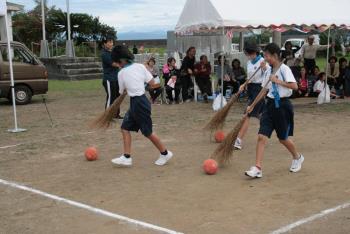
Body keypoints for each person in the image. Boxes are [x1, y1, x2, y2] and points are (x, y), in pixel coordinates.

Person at [245, 43, 304, 179]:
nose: (265, 59)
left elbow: (294, 86)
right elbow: (264, 90)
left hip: (282, 106)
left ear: (275, 56)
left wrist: (277, 81)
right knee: (261, 136)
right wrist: (253, 105)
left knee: (283, 138)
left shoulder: (284, 69)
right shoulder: (268, 70)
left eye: (267, 56)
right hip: (269, 105)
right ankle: (257, 168)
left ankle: (297, 157)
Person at [110, 45, 173, 167]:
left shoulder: (121, 73)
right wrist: (141, 85)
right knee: (125, 128)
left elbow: (122, 91)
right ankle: (126, 157)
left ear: (122, 60)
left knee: (147, 132)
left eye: (117, 62)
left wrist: (135, 86)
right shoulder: (140, 66)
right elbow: (153, 83)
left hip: (139, 103)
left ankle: (165, 153)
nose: (117, 65)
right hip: (139, 101)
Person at [234, 42, 269, 150]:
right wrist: (244, 85)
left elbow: (268, 76)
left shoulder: (263, 62)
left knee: (247, 113)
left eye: (248, 54)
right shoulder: (249, 62)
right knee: (261, 115)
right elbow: (249, 78)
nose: (247, 56)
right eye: (246, 54)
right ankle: (271, 128)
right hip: (251, 89)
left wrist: (264, 68)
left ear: (254, 52)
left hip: (259, 90)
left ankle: (238, 141)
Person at [101, 38, 122, 119]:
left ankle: (116, 114)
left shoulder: (113, 53)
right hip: (109, 79)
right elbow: (114, 64)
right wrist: (122, 64)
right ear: (105, 44)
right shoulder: (104, 54)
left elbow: (120, 60)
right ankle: (107, 116)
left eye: (112, 42)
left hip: (116, 79)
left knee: (117, 97)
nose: (111, 44)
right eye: (109, 42)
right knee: (111, 97)